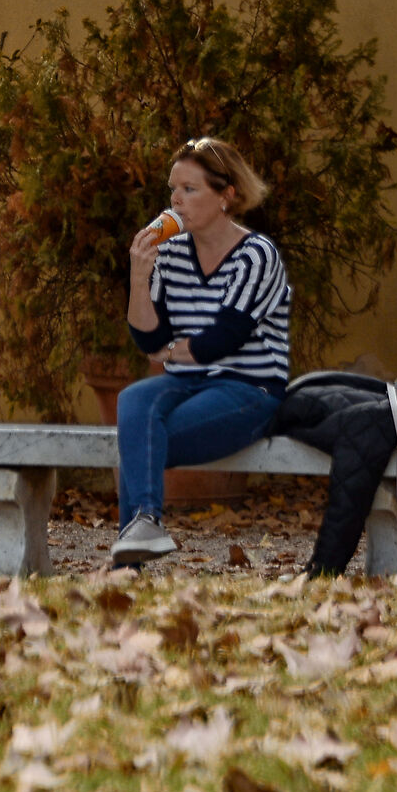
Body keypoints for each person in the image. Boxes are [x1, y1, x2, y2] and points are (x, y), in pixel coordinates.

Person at [109, 137, 291, 567]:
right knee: (132, 399)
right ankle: (146, 524)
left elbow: (218, 342)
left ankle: (126, 567)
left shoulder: (256, 256)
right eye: (173, 189)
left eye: (190, 189)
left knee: (141, 441)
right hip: (186, 383)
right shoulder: (170, 252)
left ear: (226, 195)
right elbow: (148, 340)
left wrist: (167, 351)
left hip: (250, 389)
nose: (176, 199)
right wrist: (138, 277)